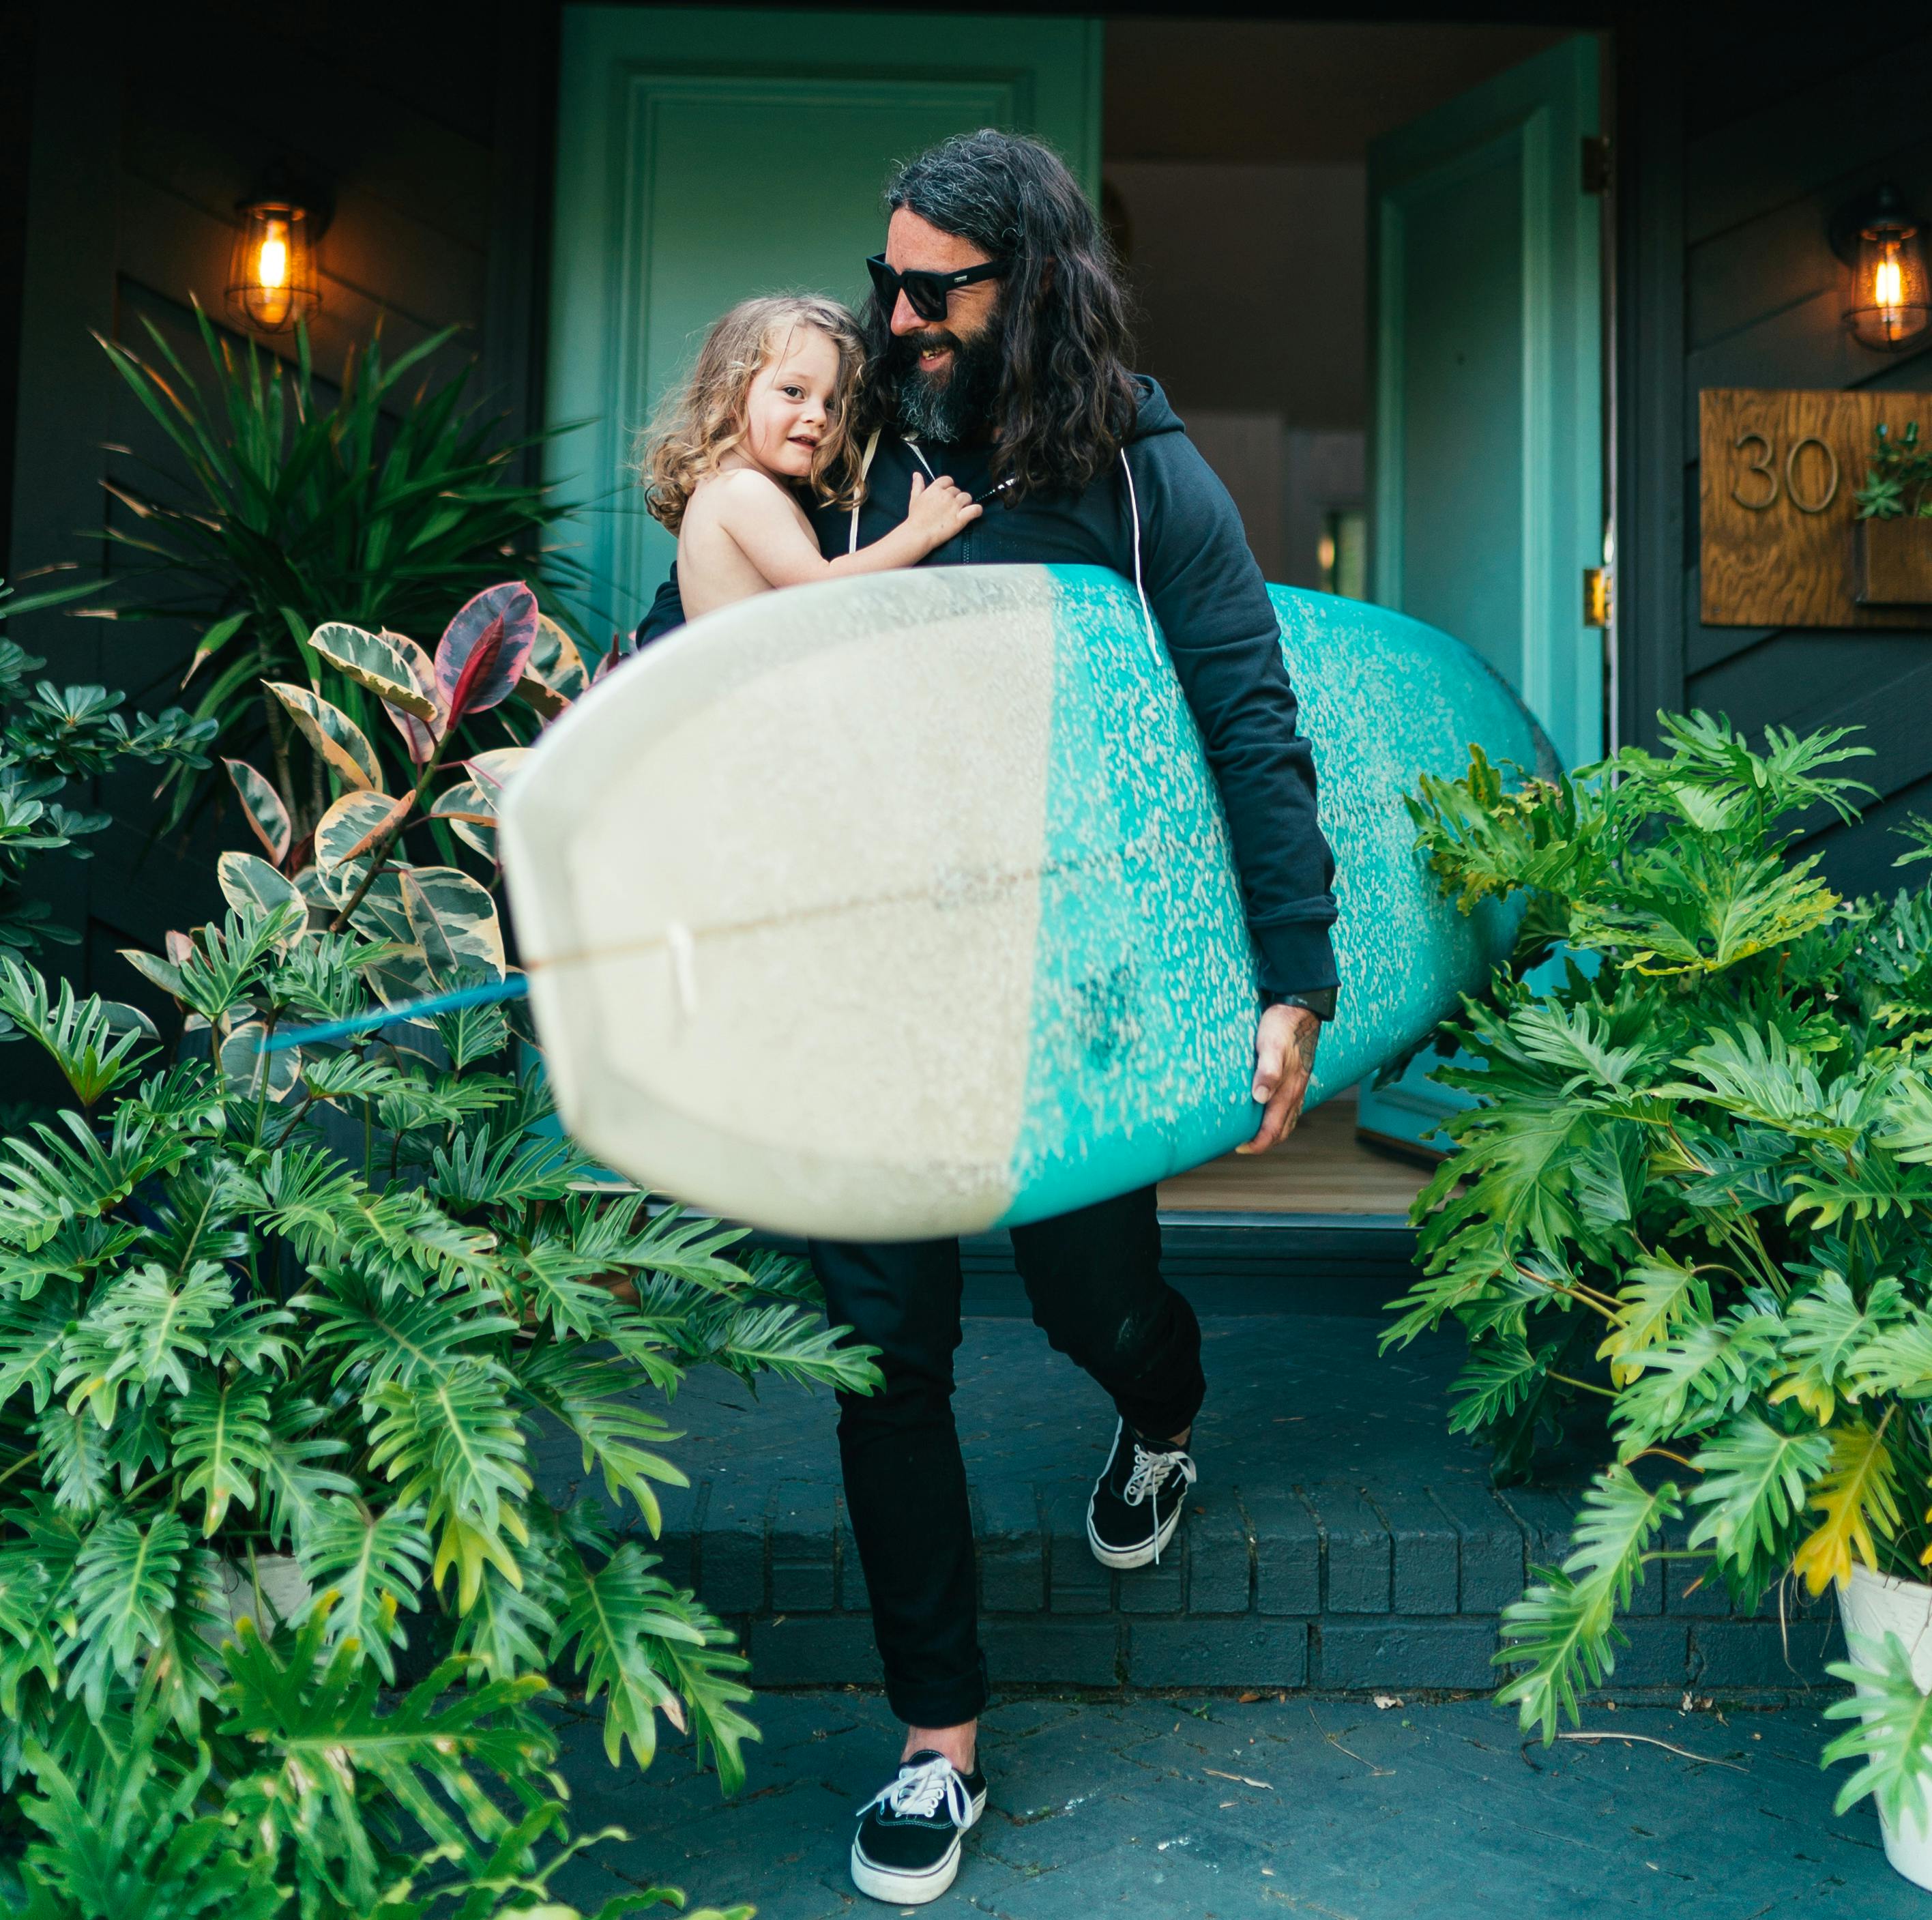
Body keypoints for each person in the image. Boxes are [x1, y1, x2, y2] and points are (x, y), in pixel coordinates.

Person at [636, 132, 1338, 1908]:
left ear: (1029, 284)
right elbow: (689, 649)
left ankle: (1162, 1409)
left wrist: (1294, 973)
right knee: (890, 1358)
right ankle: (935, 1740)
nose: (893, 317)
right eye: (886, 281)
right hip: (859, 976)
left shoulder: (1141, 476)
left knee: (1098, 1299)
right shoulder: (858, 441)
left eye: (931, 290)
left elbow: (1248, 714)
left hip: (1057, 980)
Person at [637, 292, 981, 616]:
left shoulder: (730, 485)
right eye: (793, 392)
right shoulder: (742, 489)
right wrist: (919, 532)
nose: (819, 416)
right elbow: (821, 588)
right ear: (727, 396)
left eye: (831, 403)